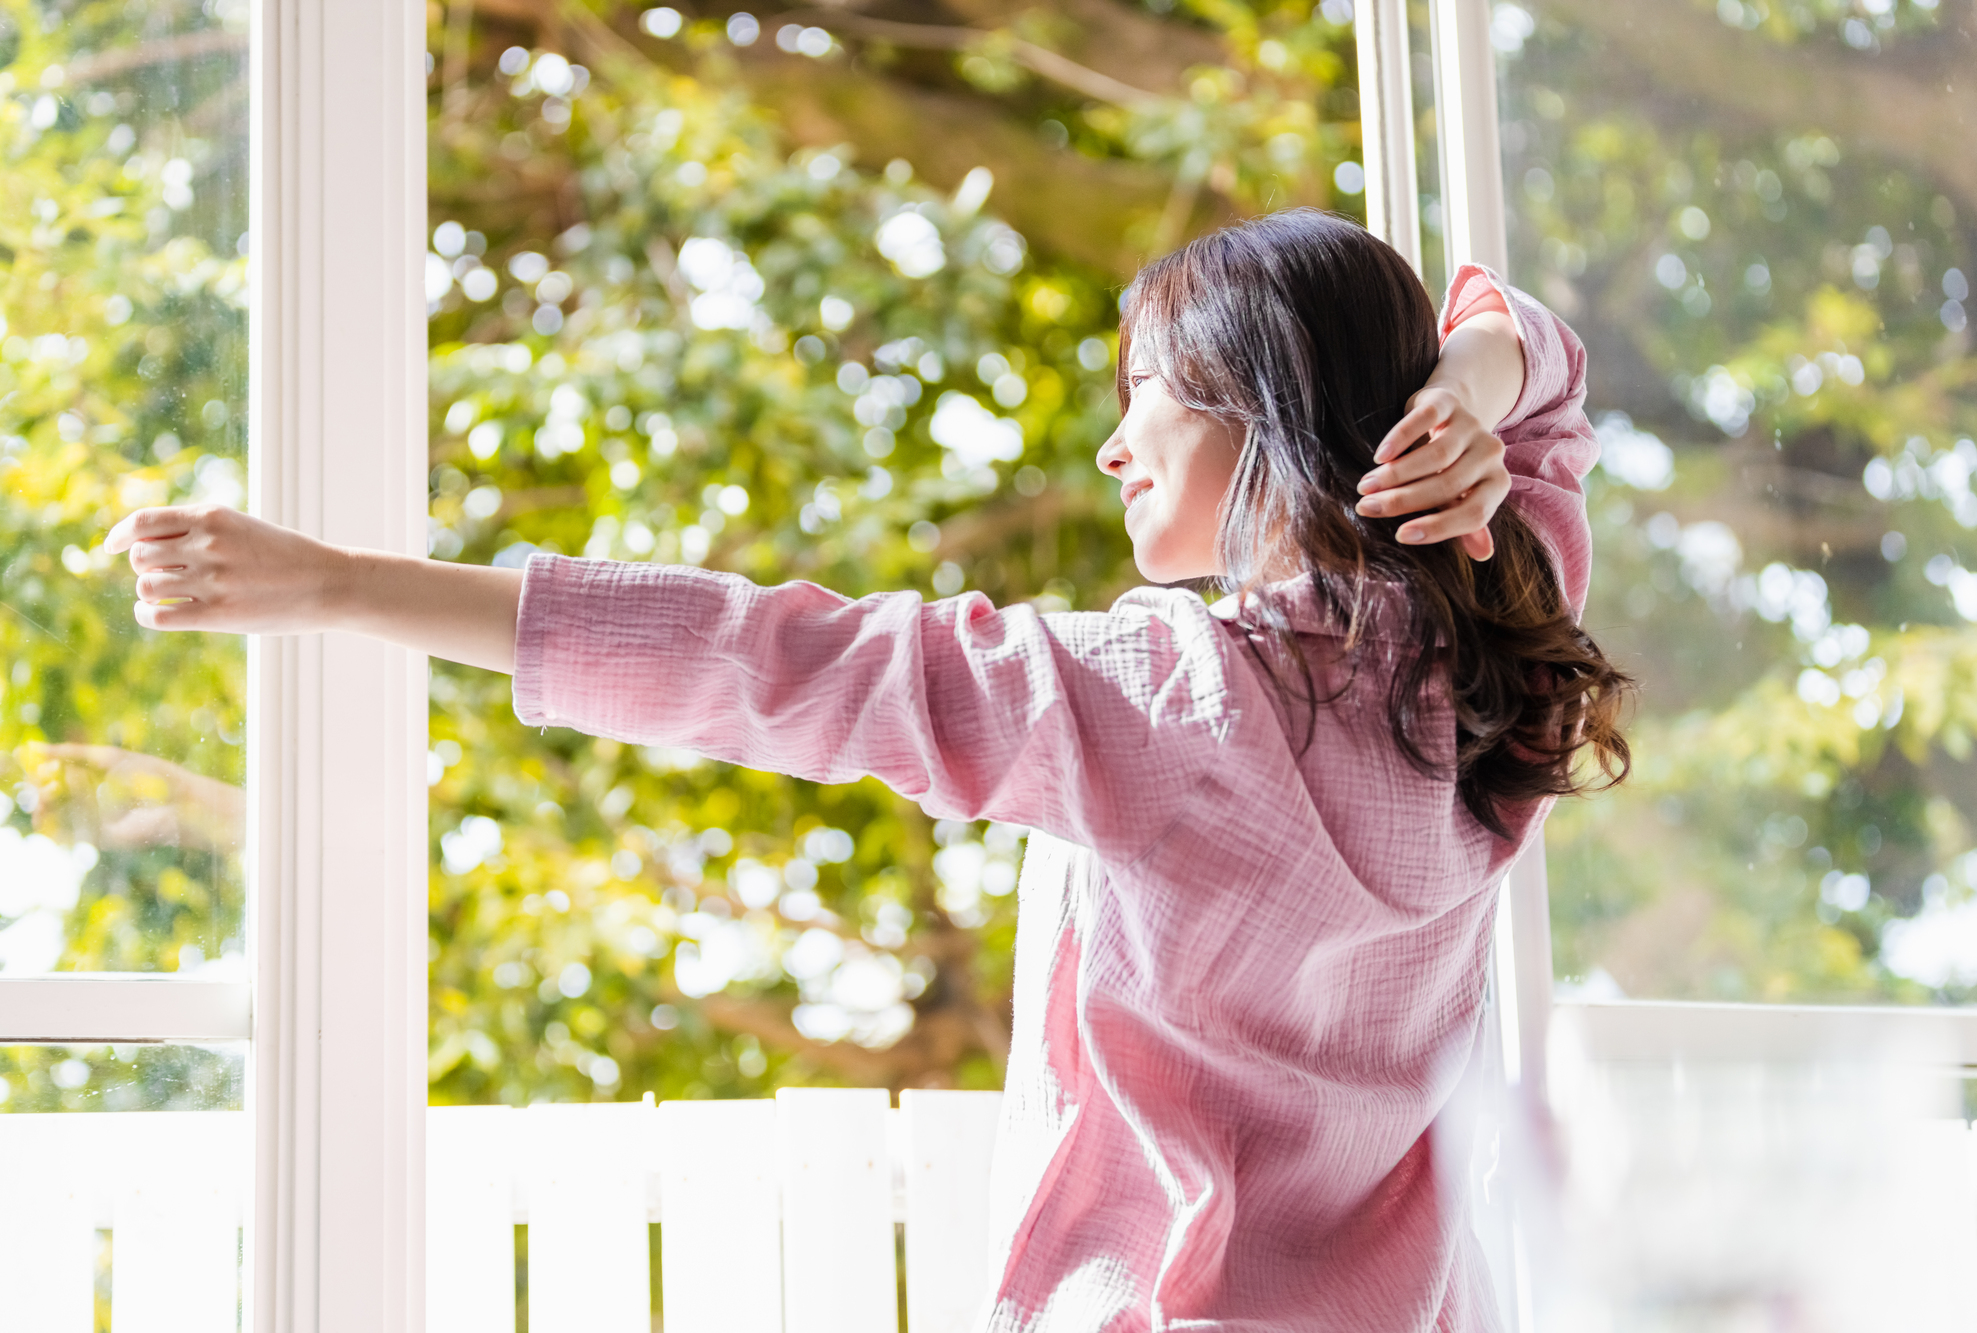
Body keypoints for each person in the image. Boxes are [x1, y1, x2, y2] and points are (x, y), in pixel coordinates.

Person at [107, 209, 1627, 1330]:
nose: (1114, 448)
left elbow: (765, 659)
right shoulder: (1494, 641)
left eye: (1143, 389)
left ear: (1256, 400)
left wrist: (338, 586)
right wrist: (1474, 390)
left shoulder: (1167, 696)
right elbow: (1546, 358)